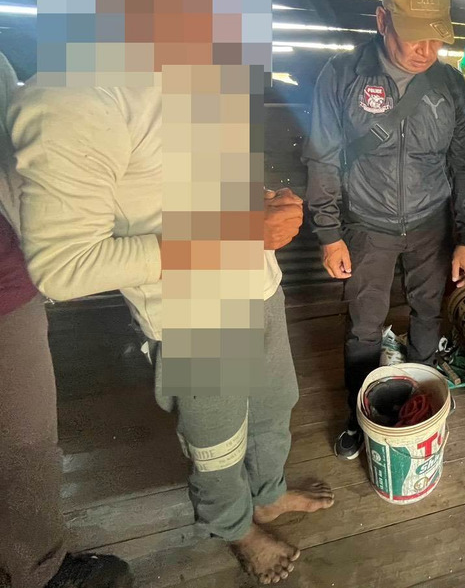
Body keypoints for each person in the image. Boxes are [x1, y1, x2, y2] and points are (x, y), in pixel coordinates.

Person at [1, 76, 333, 586]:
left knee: (274, 402)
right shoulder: (72, 95)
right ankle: (235, 527)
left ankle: (266, 496)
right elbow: (65, 266)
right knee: (218, 441)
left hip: (258, 282)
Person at [302, 0, 465, 460]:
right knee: (364, 324)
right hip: (367, 225)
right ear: (382, 21)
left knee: (428, 313)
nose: (427, 49)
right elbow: (322, 158)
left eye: (436, 37)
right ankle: (359, 416)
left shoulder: (449, 85)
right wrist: (329, 234)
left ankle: (416, 404)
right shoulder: (343, 76)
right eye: (414, 35)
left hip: (431, 224)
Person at [0, 53, 133, 588]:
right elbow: (68, 269)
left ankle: (30, 564)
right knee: (24, 441)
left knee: (23, 438)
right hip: (9, 282)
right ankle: (35, 570)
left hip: (9, 278)